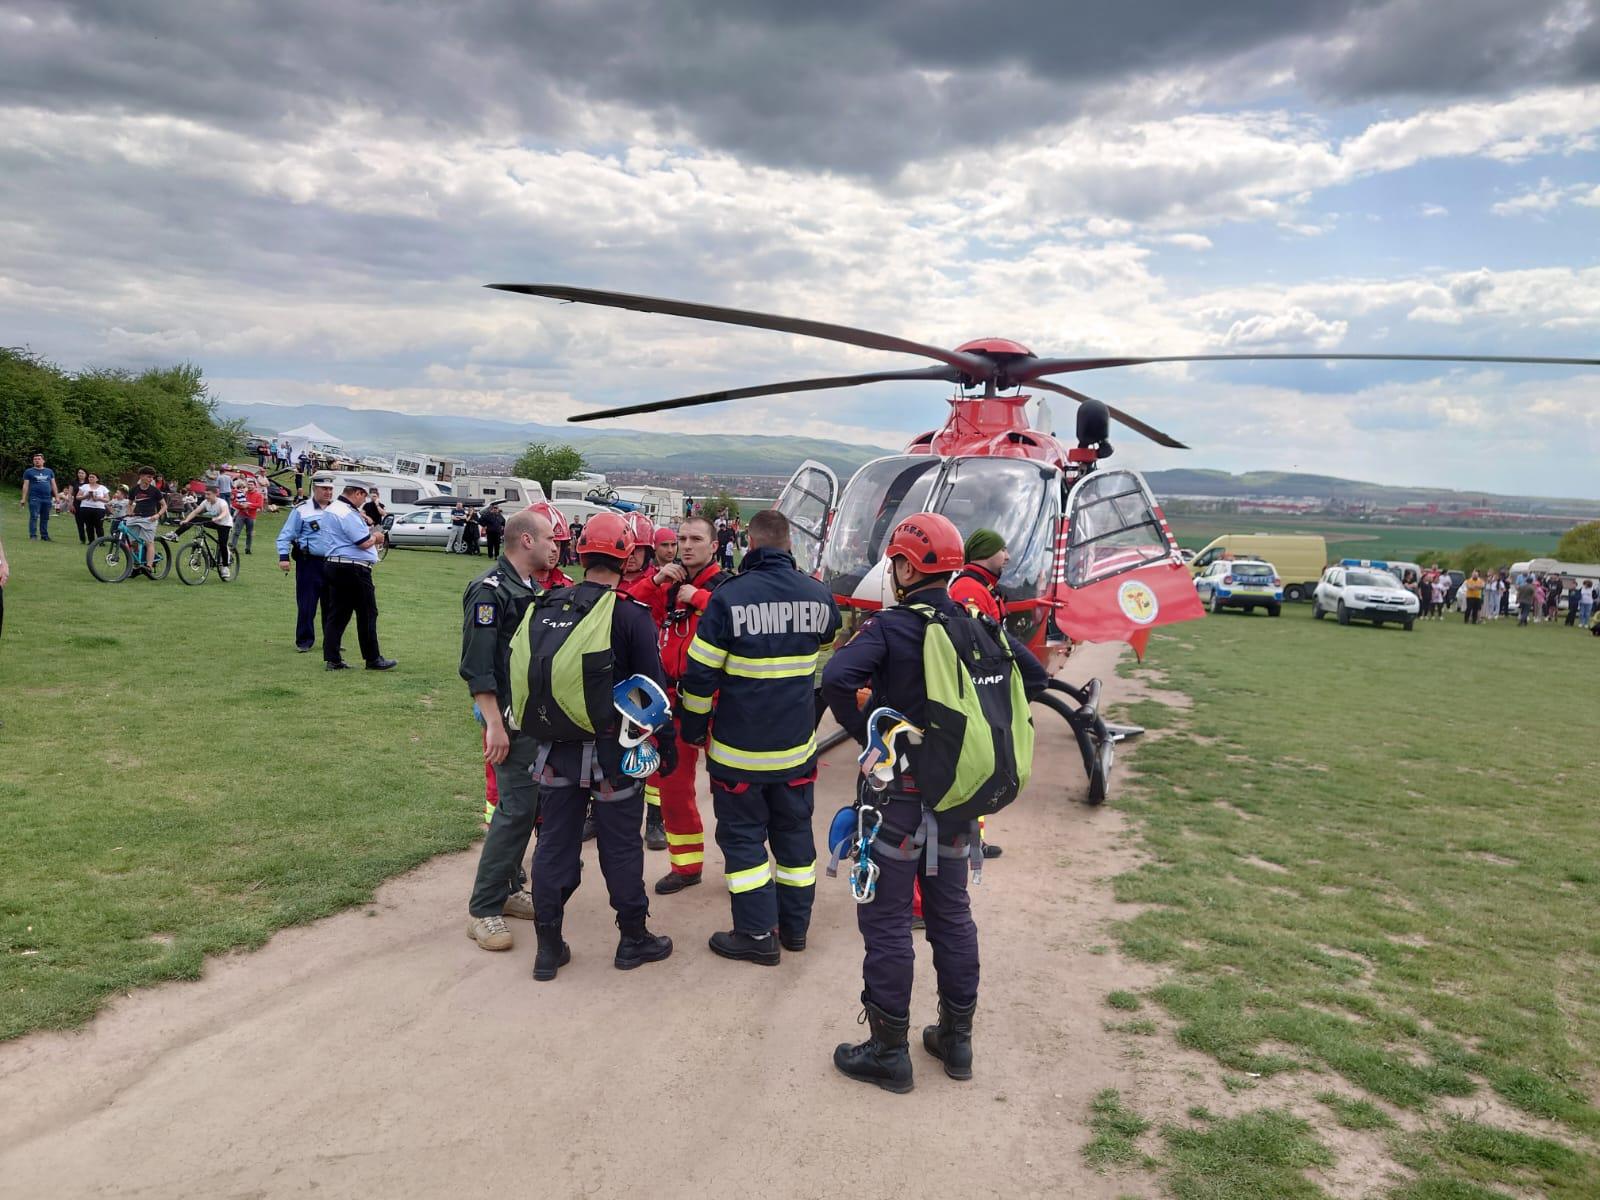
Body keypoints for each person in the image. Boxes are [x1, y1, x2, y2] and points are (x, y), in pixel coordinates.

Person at [821, 512, 1048, 1092]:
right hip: (959, 802)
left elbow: (837, 679)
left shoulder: (894, 626)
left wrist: (870, 730)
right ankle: (957, 1041)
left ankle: (887, 1050)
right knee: (951, 914)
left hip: (898, 800)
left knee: (889, 920)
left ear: (902, 565)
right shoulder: (976, 621)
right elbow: (1036, 678)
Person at [679, 509, 841, 965]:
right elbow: (827, 644)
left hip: (740, 756)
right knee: (794, 840)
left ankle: (754, 935)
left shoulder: (728, 598)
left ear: (749, 544)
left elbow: (699, 676)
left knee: (744, 840)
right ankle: (794, 930)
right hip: (795, 753)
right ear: (789, 544)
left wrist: (693, 730)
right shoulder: (817, 594)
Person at [522, 512, 674, 980]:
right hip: (614, 755)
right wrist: (665, 748)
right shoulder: (630, 615)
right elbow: (653, 690)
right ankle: (633, 939)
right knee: (621, 848)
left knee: (553, 847)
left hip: (555, 750)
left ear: (579, 553)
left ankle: (548, 946)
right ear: (627, 555)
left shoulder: (547, 605)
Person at [463, 508, 559, 951]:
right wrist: (495, 726)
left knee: (525, 807)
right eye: (548, 539)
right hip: (507, 720)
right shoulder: (490, 592)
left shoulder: (529, 587)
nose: (555, 546)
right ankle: (484, 909)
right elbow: (479, 668)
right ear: (525, 541)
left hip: (527, 717)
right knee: (515, 809)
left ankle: (504, 891)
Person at [626, 515, 725, 891]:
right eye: (681, 538)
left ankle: (742, 870)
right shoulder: (666, 585)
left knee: (731, 792)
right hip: (671, 699)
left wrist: (699, 599)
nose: (686, 545)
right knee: (672, 787)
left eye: (696, 539)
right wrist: (655, 582)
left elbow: (738, 621)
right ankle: (686, 867)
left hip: (717, 702)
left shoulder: (727, 587)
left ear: (714, 546)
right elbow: (628, 610)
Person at [321, 481, 395, 671]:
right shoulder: (347, 513)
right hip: (353, 568)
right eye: (364, 496)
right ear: (358, 494)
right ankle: (372, 658)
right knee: (367, 612)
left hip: (335, 564)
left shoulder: (333, 509)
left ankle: (333, 658)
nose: (364, 501)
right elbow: (363, 543)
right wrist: (377, 537)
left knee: (338, 613)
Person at [277, 479, 336, 652]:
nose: (328, 492)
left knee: (332, 605)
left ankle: (332, 641)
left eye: (330, 489)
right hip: (309, 562)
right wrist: (283, 556)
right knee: (307, 603)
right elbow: (286, 534)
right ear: (314, 489)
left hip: (333, 563)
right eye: (324, 488)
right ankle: (304, 640)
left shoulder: (337, 510)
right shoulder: (302, 510)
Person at [174, 484, 235, 578]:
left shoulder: (221, 502)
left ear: (215, 494)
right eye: (205, 494)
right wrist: (186, 520)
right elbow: (195, 512)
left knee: (222, 544)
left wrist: (218, 517)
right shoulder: (205, 502)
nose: (206, 496)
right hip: (214, 522)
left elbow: (225, 512)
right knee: (194, 519)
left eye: (208, 494)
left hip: (225, 524)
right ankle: (175, 534)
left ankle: (225, 567)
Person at [126, 466, 167, 577]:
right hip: (135, 518)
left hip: (149, 519)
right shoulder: (134, 489)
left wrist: (157, 515)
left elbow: (164, 506)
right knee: (132, 543)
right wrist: (130, 513)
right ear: (141, 476)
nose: (150, 479)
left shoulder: (155, 491)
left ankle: (148, 567)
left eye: (152, 477)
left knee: (149, 542)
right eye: (148, 477)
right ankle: (136, 566)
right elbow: (129, 504)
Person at [20, 452, 57, 541]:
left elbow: (53, 484)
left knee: (45, 517)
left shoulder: (49, 471)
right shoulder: (29, 472)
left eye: (39, 459)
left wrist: (57, 496)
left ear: (43, 461)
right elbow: (25, 485)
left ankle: (44, 536)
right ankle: (33, 535)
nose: (37, 461)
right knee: (34, 516)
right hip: (35, 497)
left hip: (47, 498)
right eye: (35, 459)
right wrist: (23, 498)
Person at [231, 478, 264, 556]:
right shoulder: (243, 493)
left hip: (251, 516)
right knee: (236, 532)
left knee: (249, 533)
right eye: (248, 485)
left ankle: (248, 549)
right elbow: (234, 503)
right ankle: (233, 548)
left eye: (251, 485)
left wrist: (248, 505)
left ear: (255, 486)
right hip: (241, 515)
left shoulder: (258, 495)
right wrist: (241, 506)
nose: (249, 486)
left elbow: (259, 505)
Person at [76, 472, 109, 543]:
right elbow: (77, 497)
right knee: (89, 525)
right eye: (89, 477)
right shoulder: (84, 486)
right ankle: (91, 541)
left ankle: (101, 541)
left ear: (97, 479)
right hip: (86, 508)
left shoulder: (103, 487)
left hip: (99, 509)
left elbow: (107, 499)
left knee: (99, 525)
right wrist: (85, 496)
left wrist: (98, 498)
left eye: (92, 477)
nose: (90, 478)